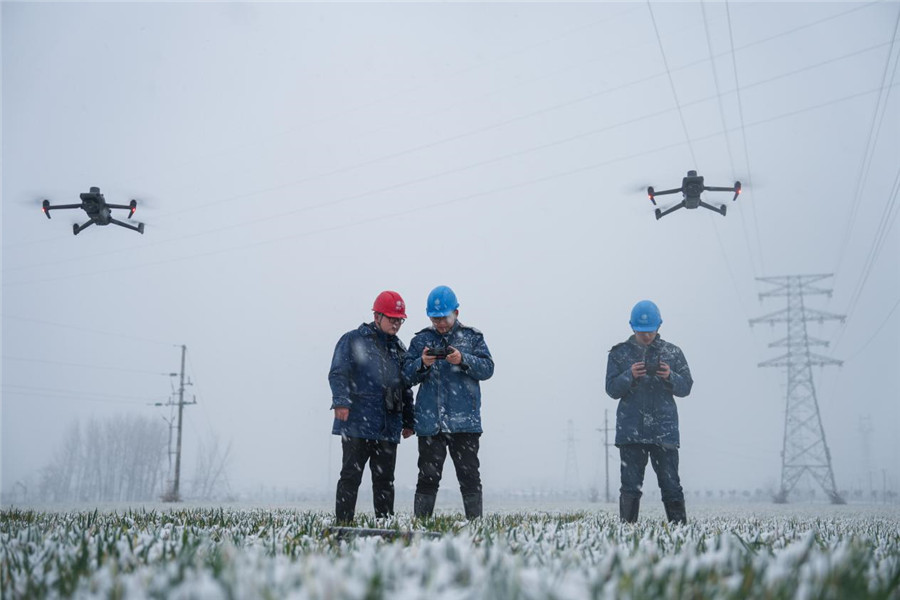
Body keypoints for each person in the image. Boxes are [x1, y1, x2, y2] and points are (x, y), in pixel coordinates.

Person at [402, 285, 494, 519]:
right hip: (430, 423)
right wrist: (422, 364)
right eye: (435, 318)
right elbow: (404, 376)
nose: (440, 323)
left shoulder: (473, 338)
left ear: (456, 313)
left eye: (444, 317)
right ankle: (422, 523)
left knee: (469, 476)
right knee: (427, 476)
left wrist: (463, 359)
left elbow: (488, 369)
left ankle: (475, 523)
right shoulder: (421, 340)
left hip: (465, 422)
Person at [329, 290, 415, 523]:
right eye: (392, 318)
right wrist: (341, 402)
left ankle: (385, 524)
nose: (396, 324)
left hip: (388, 426)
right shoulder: (353, 340)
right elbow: (338, 373)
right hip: (357, 423)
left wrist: (408, 421)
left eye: (400, 320)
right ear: (377, 316)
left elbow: (405, 387)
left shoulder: (399, 348)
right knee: (350, 476)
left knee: (385, 479)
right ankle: (343, 523)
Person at [605, 300, 693, 524]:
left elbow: (687, 387)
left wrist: (670, 376)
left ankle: (679, 529)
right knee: (630, 486)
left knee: (671, 484)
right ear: (632, 327)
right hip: (631, 431)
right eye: (642, 331)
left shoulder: (672, 353)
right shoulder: (619, 354)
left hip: (665, 432)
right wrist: (629, 375)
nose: (646, 336)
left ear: (659, 326)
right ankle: (627, 529)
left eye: (651, 331)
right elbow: (612, 389)